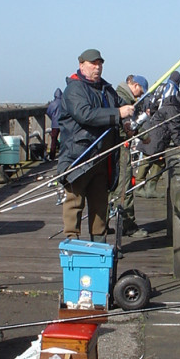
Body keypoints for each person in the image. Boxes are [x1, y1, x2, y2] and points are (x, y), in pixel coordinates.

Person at [57, 49, 134, 240]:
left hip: (103, 158)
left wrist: (126, 124)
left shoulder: (107, 89)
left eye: (100, 64)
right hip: (79, 156)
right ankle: (72, 243)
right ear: (82, 65)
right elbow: (85, 114)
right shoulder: (74, 89)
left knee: (100, 203)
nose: (97, 68)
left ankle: (99, 245)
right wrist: (117, 114)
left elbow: (120, 107)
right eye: (93, 64)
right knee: (74, 202)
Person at [112, 74, 149, 237]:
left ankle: (103, 224)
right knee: (124, 186)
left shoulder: (115, 94)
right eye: (141, 91)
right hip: (120, 147)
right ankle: (128, 225)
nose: (141, 95)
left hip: (111, 147)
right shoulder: (123, 100)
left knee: (109, 185)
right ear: (134, 85)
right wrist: (144, 136)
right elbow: (129, 127)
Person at [136, 89, 180, 196]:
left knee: (157, 162)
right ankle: (141, 188)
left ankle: (147, 188)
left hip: (154, 135)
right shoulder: (173, 109)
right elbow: (174, 128)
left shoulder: (171, 104)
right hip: (155, 138)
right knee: (147, 161)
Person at [46, 87, 63, 161]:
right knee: (64, 139)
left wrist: (53, 118)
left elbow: (48, 112)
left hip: (55, 124)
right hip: (63, 123)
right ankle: (63, 154)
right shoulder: (64, 102)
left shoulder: (53, 103)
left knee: (53, 139)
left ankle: (52, 156)